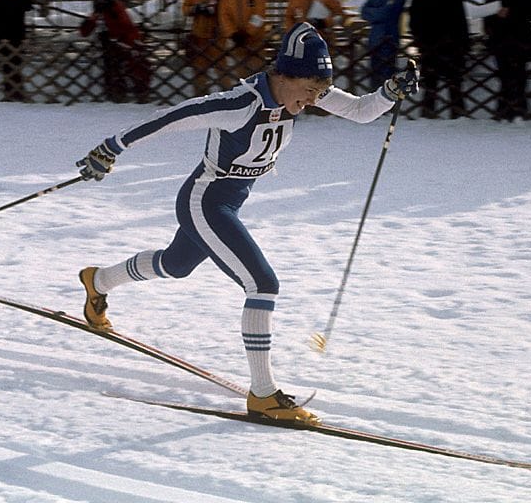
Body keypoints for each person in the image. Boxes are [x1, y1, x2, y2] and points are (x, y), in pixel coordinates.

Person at [73, 22, 420, 424]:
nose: (312, 101)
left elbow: (360, 112)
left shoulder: (300, 91)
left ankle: (96, 281)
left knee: (175, 265)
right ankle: (263, 394)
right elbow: (172, 117)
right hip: (206, 200)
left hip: (230, 201)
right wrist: (111, 148)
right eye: (308, 91)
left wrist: (389, 93)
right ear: (282, 75)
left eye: (319, 93)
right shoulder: (241, 103)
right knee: (263, 284)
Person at [408, 0, 469, 119]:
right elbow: (414, 22)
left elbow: (460, 20)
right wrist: (420, 41)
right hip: (429, 46)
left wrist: (462, 44)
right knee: (430, 83)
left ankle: (458, 114)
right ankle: (428, 114)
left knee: (455, 84)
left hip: (451, 45)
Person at [483, 0, 531, 122]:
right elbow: (488, 10)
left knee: (520, 76)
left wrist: (512, 12)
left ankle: (521, 110)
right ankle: (503, 110)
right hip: (500, 39)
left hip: (520, 38)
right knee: (503, 75)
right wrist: (492, 19)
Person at [80, 0, 151, 103]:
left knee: (125, 69)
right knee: (122, 69)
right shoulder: (111, 6)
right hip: (119, 44)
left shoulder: (109, 6)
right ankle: (122, 93)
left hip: (121, 43)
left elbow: (120, 25)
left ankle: (123, 93)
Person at [217, 0, 267, 90]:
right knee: (242, 76)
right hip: (237, 41)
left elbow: (260, 13)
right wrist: (232, 33)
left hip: (255, 39)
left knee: (258, 73)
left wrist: (248, 32)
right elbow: (223, 15)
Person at [182, 0, 227, 97]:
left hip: (217, 35)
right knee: (200, 71)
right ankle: (200, 99)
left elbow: (228, 8)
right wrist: (196, 9)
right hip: (199, 36)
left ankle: (229, 98)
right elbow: (185, 8)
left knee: (222, 70)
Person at [361, 0, 406, 89]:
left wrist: (374, 12)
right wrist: (377, 12)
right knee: (374, 80)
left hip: (388, 41)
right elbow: (364, 11)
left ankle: (387, 109)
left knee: (387, 80)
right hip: (375, 40)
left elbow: (385, 14)